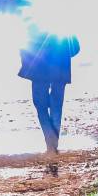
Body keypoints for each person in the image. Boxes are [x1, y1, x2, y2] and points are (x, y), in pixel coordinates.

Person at [18, 22, 80, 154]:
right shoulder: (63, 25)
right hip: (60, 70)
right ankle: (53, 142)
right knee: (56, 106)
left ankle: (49, 139)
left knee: (40, 106)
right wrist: (62, 56)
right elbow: (75, 48)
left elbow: (23, 46)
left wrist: (28, 60)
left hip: (38, 71)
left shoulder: (33, 24)